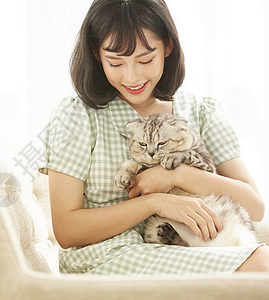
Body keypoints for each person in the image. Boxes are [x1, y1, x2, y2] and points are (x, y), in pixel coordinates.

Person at [39, 0, 269, 275]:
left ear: (168, 47)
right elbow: (67, 230)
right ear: (96, 53)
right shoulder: (75, 116)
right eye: (115, 62)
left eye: (145, 59)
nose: (132, 76)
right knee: (262, 266)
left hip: (190, 246)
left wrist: (176, 176)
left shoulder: (200, 111)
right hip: (111, 257)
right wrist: (155, 202)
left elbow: (254, 207)